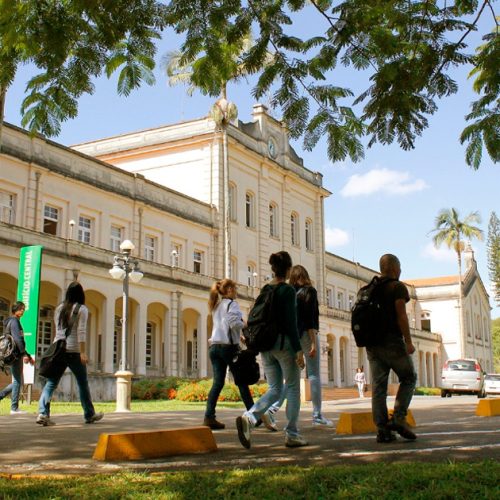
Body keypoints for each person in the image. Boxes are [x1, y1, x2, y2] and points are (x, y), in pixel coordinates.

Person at [236, 251, 307, 449]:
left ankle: (249, 418)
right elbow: (291, 323)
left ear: (273, 269)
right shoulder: (287, 290)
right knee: (292, 387)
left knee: (275, 389)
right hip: (283, 344)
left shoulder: (265, 289)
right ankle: (292, 434)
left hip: (265, 346)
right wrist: (298, 349)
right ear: (288, 269)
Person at [268, 265, 332, 426]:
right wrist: (313, 343)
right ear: (305, 276)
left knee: (290, 379)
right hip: (306, 334)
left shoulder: (290, 293)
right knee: (314, 375)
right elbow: (310, 319)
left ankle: (272, 410)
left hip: (291, 337)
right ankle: (317, 416)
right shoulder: (309, 291)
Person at [36, 282, 103, 426]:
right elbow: (81, 332)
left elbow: (57, 329)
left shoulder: (60, 308)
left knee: (51, 383)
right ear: (81, 294)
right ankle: (89, 414)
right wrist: (83, 352)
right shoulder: (82, 309)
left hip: (58, 350)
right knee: (82, 383)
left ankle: (43, 413)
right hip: (73, 351)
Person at [366, 254, 417, 443]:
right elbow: (401, 315)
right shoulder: (397, 287)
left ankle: (382, 430)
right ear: (395, 269)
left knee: (378, 387)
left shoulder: (370, 288)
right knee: (409, 377)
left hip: (372, 345)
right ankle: (398, 417)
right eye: (400, 267)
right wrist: (409, 341)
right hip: (391, 341)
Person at [203, 278, 261, 430]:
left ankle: (209, 417)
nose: (236, 292)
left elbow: (224, 326)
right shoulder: (232, 304)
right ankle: (253, 415)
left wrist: (238, 336)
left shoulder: (216, 305)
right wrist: (245, 325)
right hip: (228, 348)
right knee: (241, 381)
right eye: (235, 289)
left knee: (217, 383)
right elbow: (234, 323)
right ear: (229, 290)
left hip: (214, 347)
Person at [0, 301, 34, 414]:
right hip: (15, 355)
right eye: (21, 309)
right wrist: (25, 354)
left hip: (12, 354)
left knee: (17, 381)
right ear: (15, 310)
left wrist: (26, 354)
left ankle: (1, 397)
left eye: (23, 308)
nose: (23, 310)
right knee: (17, 381)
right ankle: (14, 408)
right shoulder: (14, 322)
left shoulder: (10, 321)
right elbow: (18, 340)